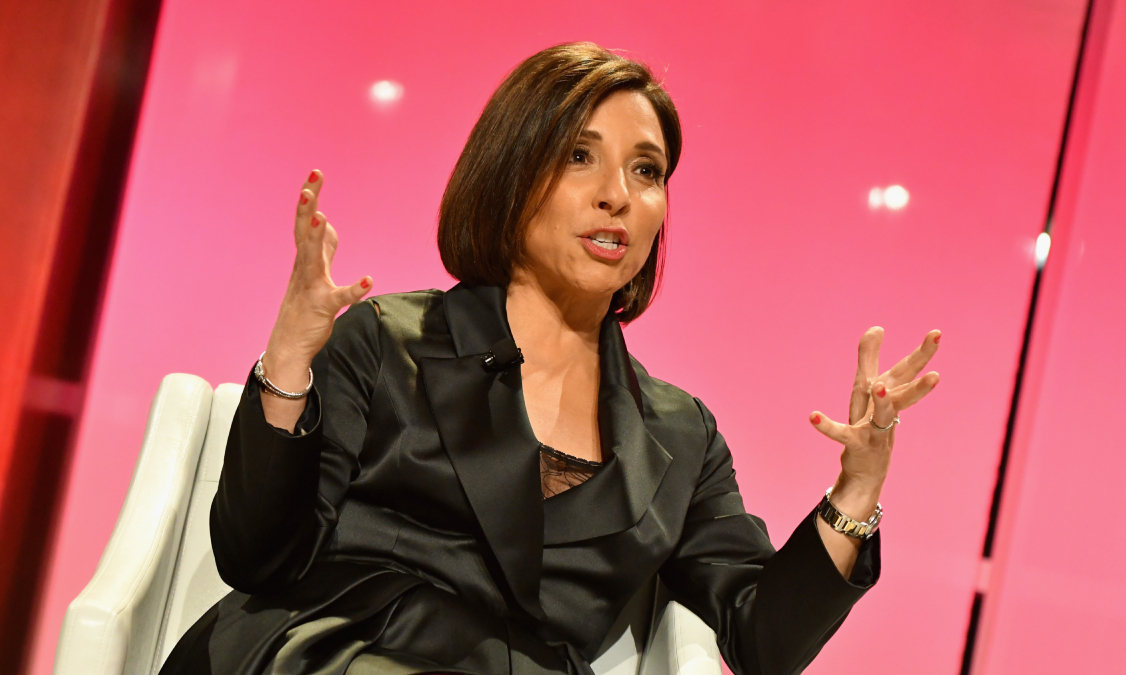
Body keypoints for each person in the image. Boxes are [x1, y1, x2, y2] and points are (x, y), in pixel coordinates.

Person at [161, 42, 940, 675]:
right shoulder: (388, 340)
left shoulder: (679, 436)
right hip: (336, 650)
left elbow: (761, 637)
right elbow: (259, 555)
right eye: (579, 156)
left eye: (646, 170)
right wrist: (292, 358)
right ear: (512, 174)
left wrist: (858, 486)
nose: (617, 196)